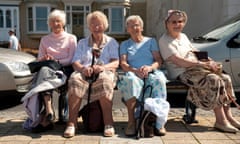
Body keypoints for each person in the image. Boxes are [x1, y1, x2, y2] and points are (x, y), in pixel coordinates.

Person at [159, 9, 240, 133]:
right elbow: (178, 61)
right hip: (182, 72)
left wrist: (210, 61)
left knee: (225, 77)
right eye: (173, 22)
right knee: (214, 79)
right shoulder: (164, 40)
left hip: (197, 69)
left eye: (180, 22)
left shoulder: (183, 36)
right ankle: (220, 121)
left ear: (184, 23)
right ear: (167, 23)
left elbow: (196, 52)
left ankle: (229, 117)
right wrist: (202, 64)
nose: (177, 25)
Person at [63, 11, 119, 138]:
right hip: (85, 71)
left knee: (105, 81)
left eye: (99, 24)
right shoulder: (82, 42)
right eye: (93, 24)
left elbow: (116, 62)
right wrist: (83, 68)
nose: (96, 27)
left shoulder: (111, 42)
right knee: (74, 79)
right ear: (89, 27)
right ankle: (71, 124)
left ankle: (108, 124)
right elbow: (75, 61)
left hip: (104, 71)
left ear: (104, 25)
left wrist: (103, 67)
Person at [117, 15, 169, 137]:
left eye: (137, 25)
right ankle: (131, 122)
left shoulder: (151, 41)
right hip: (133, 73)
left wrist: (149, 68)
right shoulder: (124, 44)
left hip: (150, 71)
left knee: (159, 80)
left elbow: (158, 60)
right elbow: (123, 64)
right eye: (131, 26)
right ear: (127, 29)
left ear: (142, 27)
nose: (134, 27)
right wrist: (135, 70)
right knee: (130, 81)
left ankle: (159, 122)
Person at [33, 9, 77, 132]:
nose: (55, 23)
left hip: (65, 68)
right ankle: (48, 110)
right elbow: (39, 59)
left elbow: (72, 59)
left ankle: (48, 117)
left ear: (63, 23)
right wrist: (45, 58)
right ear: (49, 24)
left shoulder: (71, 38)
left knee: (44, 72)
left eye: (58, 21)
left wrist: (56, 62)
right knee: (43, 70)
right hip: (48, 69)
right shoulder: (45, 39)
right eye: (52, 21)